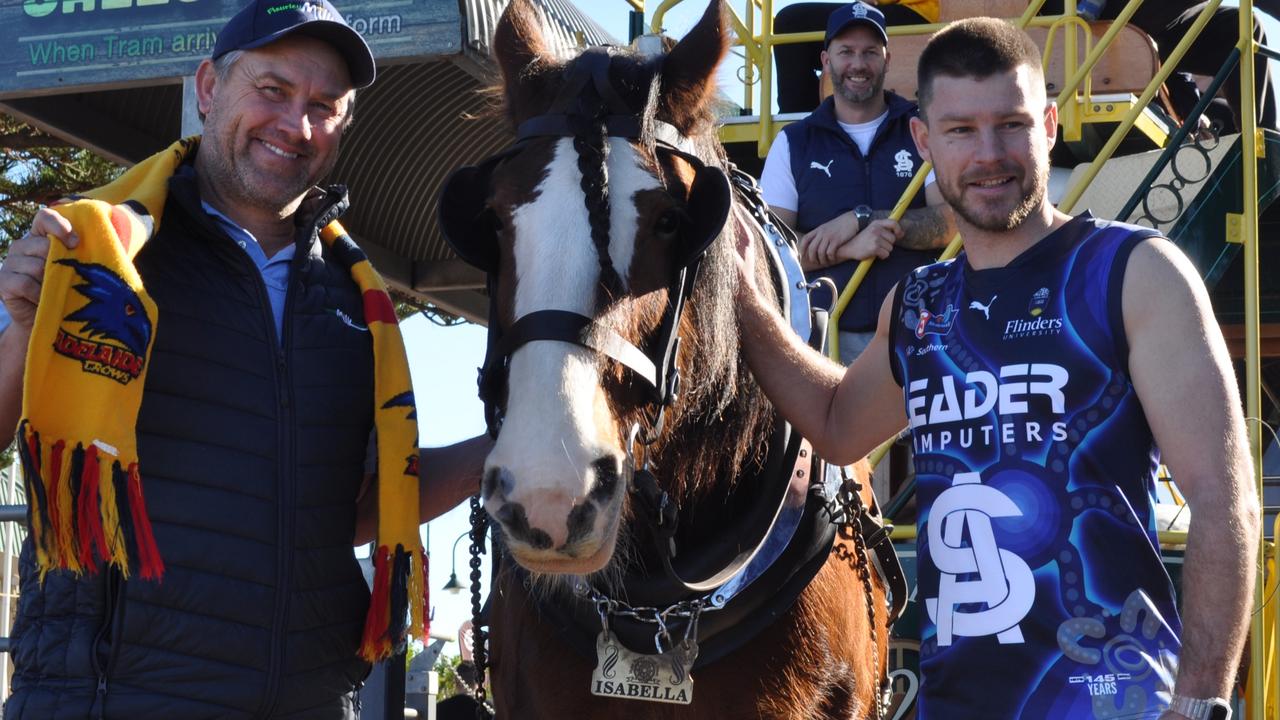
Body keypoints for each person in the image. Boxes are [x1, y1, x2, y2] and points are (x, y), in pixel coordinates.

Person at [737, 17, 1259, 719]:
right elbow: (835, 425)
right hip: (957, 703)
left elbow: (1224, 500)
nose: (990, 154)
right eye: (960, 131)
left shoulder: (1133, 273)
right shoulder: (920, 305)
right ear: (924, 141)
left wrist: (1199, 703)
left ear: (1047, 124)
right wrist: (738, 298)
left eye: (1011, 124)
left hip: (1115, 702)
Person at [0, 0, 483, 716]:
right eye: (273, 90)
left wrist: (507, 449)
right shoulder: (92, 248)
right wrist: (18, 327)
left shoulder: (356, 304)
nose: (297, 124)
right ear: (206, 87)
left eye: (325, 106)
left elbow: (352, 511)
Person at [761, 1, 954, 365]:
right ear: (826, 60)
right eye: (846, 52)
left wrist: (865, 219)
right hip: (825, 343)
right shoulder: (793, 143)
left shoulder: (921, 129)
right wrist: (850, 248)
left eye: (870, 52)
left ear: (887, 59)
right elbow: (771, 253)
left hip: (922, 339)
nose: (858, 65)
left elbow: (949, 224)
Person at [1043, 0, 1275, 132]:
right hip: (1082, 14)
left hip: (1140, 24)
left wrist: (1189, 109)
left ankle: (1263, 150)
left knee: (1242, 27)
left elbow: (1166, 40)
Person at [774, 0, 938, 114]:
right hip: (908, 9)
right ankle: (809, 117)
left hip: (920, 12)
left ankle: (795, 119)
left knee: (791, 22)